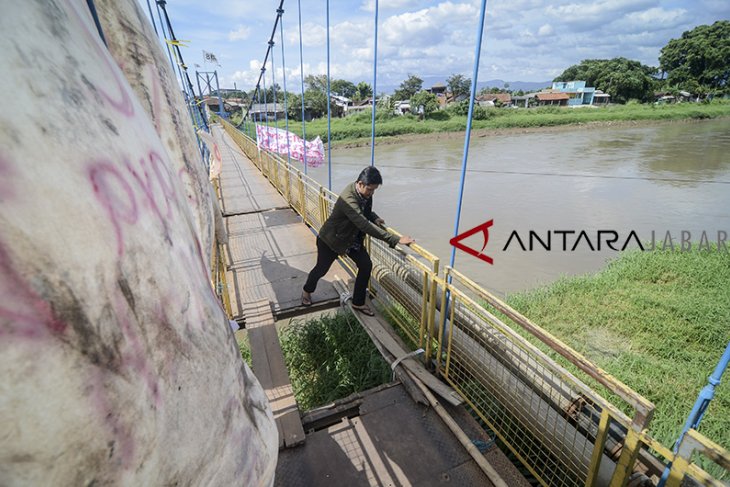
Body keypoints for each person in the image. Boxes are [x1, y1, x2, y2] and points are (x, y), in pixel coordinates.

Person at [302, 166, 415, 316]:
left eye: (374, 190)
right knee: (321, 269)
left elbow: (366, 213)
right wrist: (396, 239)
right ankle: (306, 291)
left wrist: (374, 217)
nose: (371, 193)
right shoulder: (348, 199)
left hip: (351, 239)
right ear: (360, 183)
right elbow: (363, 224)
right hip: (331, 240)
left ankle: (358, 303)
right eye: (369, 189)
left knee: (366, 265)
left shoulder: (365, 194)